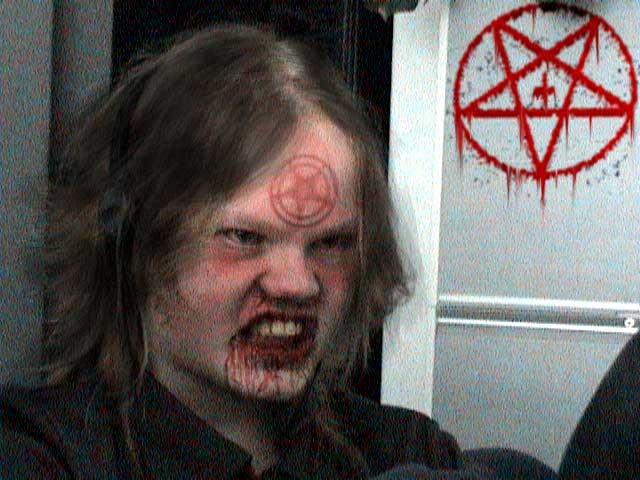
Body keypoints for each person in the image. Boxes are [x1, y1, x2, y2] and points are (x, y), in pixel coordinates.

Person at [0, 24, 468, 479]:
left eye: (330, 243)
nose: (297, 284)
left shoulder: (407, 452)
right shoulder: (38, 453)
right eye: (245, 237)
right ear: (136, 245)